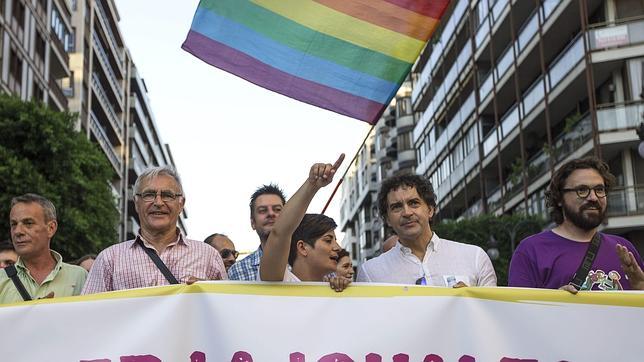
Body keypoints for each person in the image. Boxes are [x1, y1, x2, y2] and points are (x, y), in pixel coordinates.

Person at [82, 166, 226, 294]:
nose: (158, 202)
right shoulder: (109, 260)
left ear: (181, 204)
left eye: (167, 195)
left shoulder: (209, 257)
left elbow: (225, 313)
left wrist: (207, 294)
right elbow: (89, 315)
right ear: (137, 203)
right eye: (149, 195)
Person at [508, 157, 644, 292]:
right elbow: (517, 312)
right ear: (559, 198)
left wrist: (640, 288)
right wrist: (554, 305)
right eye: (582, 190)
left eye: (600, 189)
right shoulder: (531, 251)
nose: (593, 197)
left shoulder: (623, 249)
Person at [357, 174, 497, 287]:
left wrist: (470, 302)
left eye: (414, 203)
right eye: (397, 207)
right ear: (387, 219)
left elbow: (490, 314)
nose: (406, 212)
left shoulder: (475, 258)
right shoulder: (370, 274)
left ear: (430, 210)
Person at [259, 155, 350, 292]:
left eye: (335, 240)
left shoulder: (335, 286)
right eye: (328, 240)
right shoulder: (280, 281)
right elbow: (280, 232)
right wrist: (312, 186)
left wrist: (344, 292)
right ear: (302, 247)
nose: (337, 248)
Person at [0, 194, 87, 303]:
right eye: (14, 224)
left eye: (28, 223)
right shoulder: (1, 279)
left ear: (51, 228)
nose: (18, 231)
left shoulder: (79, 277)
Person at [227, 184, 286, 281]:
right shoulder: (237, 271)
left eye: (277, 210)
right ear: (253, 223)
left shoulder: (306, 262)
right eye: (262, 210)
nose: (271, 214)